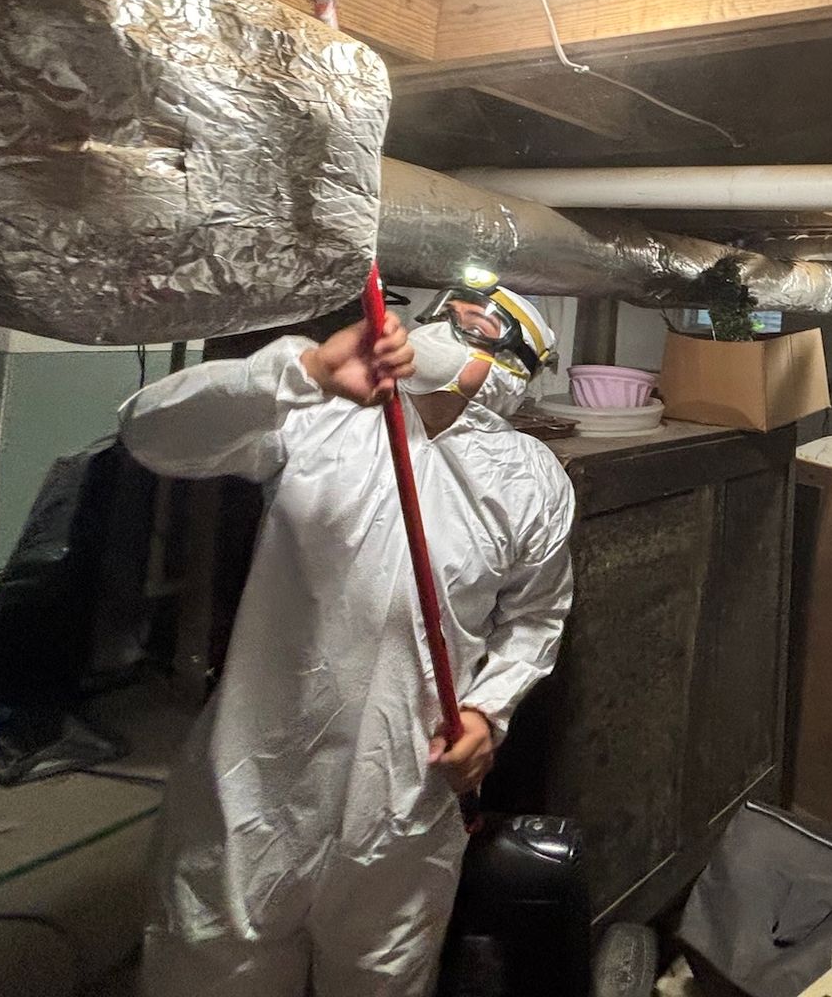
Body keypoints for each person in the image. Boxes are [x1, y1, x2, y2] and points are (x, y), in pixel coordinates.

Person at [122, 283, 576, 997]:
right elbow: (150, 432)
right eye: (454, 320)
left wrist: (490, 710)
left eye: (488, 334)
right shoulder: (326, 416)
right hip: (256, 791)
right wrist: (300, 372)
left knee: (380, 981)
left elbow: (535, 618)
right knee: (211, 973)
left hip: (405, 807)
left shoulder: (531, 480)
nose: (459, 339)